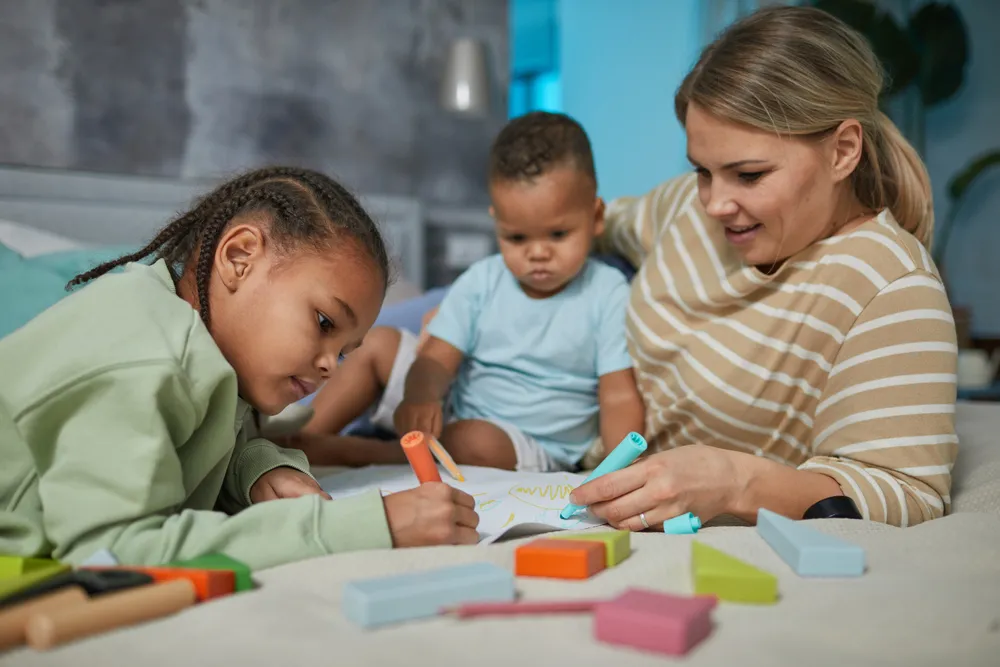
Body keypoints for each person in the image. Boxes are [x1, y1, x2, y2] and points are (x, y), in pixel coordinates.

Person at [567, 5, 958, 530]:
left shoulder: (891, 287)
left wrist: (733, 480)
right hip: (574, 475)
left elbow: (905, 492)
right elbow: (591, 223)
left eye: (748, 175)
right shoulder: (686, 207)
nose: (714, 204)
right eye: (703, 171)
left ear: (843, 151)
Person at [0, 166, 480, 570]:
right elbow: (111, 553)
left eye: (346, 351)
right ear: (239, 258)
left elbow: (192, 446)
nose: (330, 365)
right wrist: (372, 526)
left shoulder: (213, 359)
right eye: (323, 321)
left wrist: (254, 467)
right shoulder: (139, 355)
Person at [290, 112, 645, 472]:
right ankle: (300, 435)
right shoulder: (484, 279)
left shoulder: (608, 292)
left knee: (473, 442)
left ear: (596, 217)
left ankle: (360, 453)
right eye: (517, 237)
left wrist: (618, 468)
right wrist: (422, 396)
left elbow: (617, 394)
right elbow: (439, 355)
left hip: (527, 444)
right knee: (380, 344)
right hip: (455, 405)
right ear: (498, 222)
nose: (538, 253)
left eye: (558, 235)